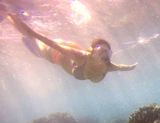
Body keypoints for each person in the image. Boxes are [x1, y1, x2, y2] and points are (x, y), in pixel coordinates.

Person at [6, 13, 137, 82]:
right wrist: (32, 33)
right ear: (93, 52)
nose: (105, 56)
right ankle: (9, 14)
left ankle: (22, 26)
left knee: (58, 43)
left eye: (108, 53)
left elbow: (122, 67)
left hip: (71, 47)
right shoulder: (81, 57)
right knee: (37, 46)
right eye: (102, 51)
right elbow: (52, 44)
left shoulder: (108, 65)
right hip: (55, 54)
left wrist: (131, 67)